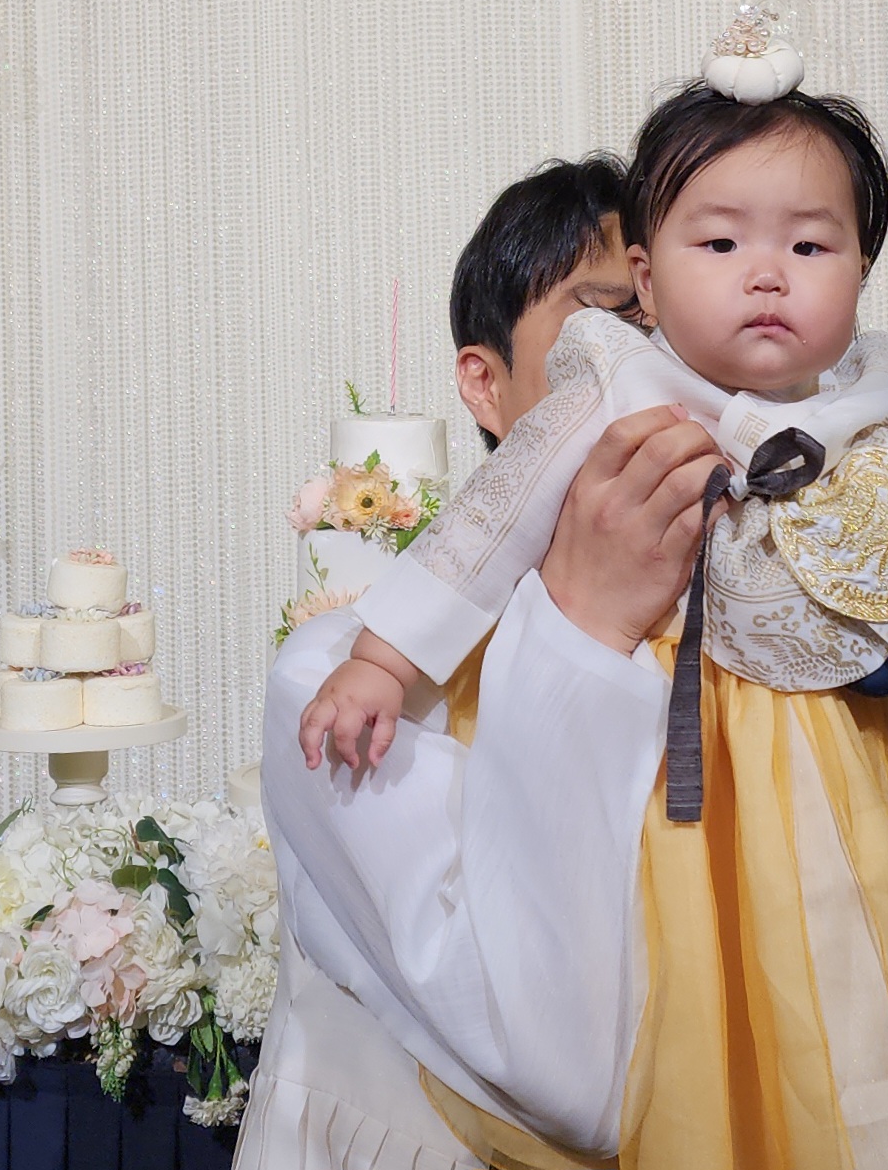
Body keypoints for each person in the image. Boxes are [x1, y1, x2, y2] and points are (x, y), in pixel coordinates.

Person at [276, 29, 888, 1168]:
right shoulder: (616, 393)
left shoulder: (873, 415)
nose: (765, 273)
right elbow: (484, 527)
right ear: (647, 284)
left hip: (830, 765)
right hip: (678, 779)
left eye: (809, 244)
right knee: (692, 990)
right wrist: (382, 659)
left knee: (836, 991)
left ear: (862, 269)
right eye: (718, 243)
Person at [235, 156, 716, 1170]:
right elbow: (564, 1074)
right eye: (610, 323)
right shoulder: (336, 688)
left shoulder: (769, 667)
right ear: (484, 383)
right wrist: (587, 623)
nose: (654, 374)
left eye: (679, 334)